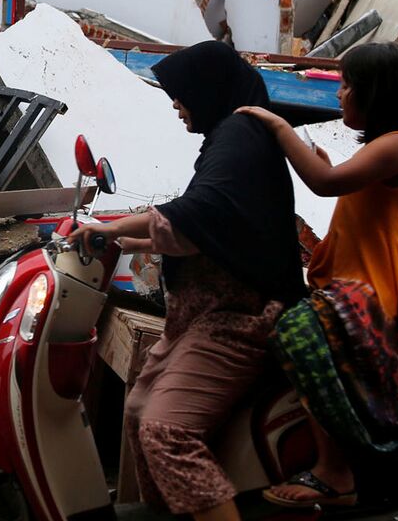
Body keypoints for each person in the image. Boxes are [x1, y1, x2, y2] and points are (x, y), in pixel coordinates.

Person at [69, 41, 302, 521]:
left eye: (180, 95)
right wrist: (126, 240)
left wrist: (112, 229)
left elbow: (200, 215)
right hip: (199, 317)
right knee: (136, 411)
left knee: (166, 431)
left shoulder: (238, 137)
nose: (176, 105)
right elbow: (208, 229)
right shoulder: (227, 138)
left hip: (235, 321)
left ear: (206, 89)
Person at [235, 42, 398, 509]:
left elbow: (325, 184)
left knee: (296, 333)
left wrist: (278, 125)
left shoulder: (396, 146)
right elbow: (349, 191)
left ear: (378, 92)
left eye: (348, 85)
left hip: (383, 288)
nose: (340, 95)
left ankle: (336, 471)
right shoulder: (384, 147)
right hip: (362, 280)